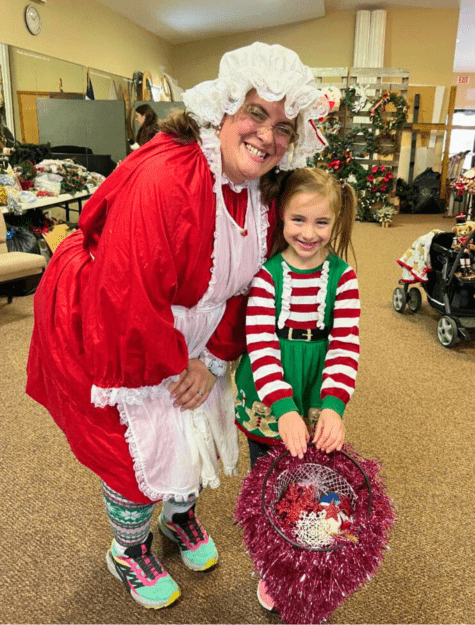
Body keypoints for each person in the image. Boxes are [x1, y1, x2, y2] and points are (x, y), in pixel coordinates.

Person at [26, 42, 336, 611]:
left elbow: (255, 286)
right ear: (223, 110)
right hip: (120, 322)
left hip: (198, 334)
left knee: (201, 425)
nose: (269, 136)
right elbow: (128, 291)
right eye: (256, 115)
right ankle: (128, 548)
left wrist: (215, 355)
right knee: (136, 446)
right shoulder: (168, 176)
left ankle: (179, 516)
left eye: (284, 125)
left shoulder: (267, 190)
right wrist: (178, 365)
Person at [234, 166, 360, 612]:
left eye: (321, 222)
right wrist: (284, 409)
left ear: (336, 222)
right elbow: (261, 346)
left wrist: (333, 406)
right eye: (298, 220)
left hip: (315, 387)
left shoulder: (343, 278)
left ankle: (303, 553)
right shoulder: (268, 277)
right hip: (271, 397)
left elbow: (345, 344)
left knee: (307, 483)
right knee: (267, 483)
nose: (309, 233)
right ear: (282, 218)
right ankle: (271, 562)